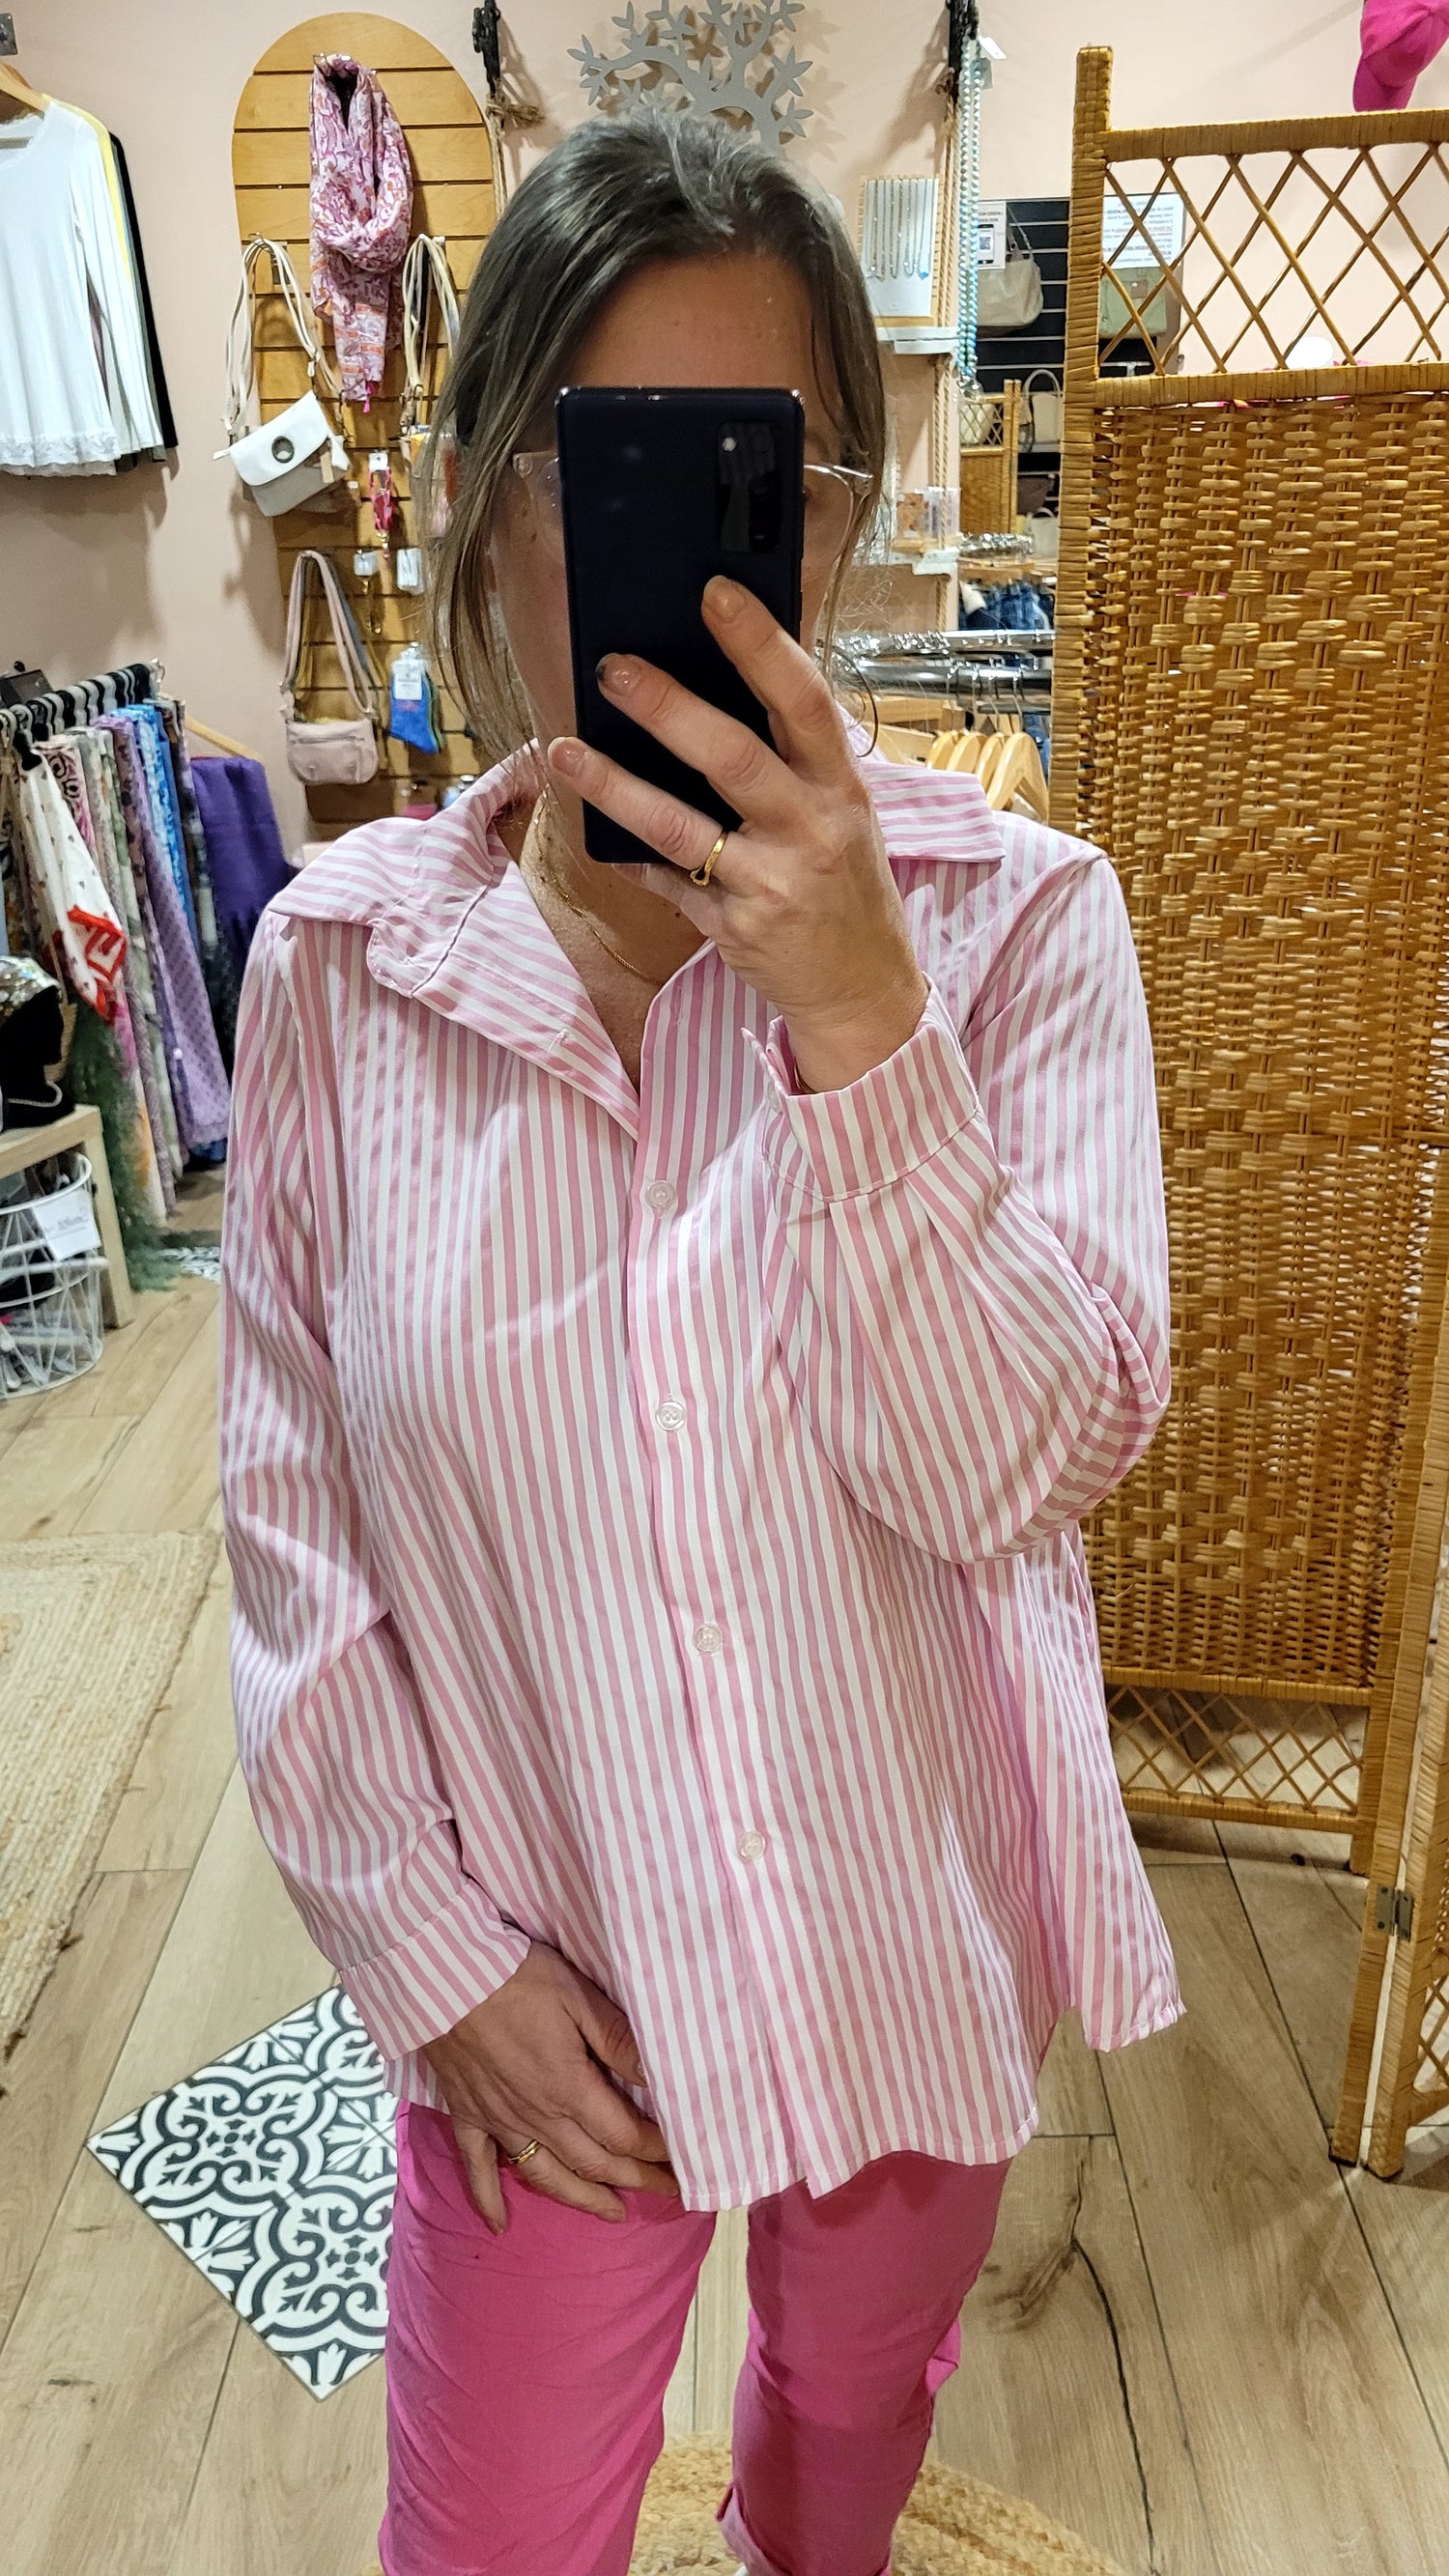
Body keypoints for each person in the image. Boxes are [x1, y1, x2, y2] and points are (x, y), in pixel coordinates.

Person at [219, 107, 1181, 2576]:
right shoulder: (341, 972)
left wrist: (863, 1023)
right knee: (490, 2534)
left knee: (841, 2447)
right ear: (479, 506)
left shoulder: (1021, 932)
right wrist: (422, 1950)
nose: (710, 555)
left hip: (901, 1927)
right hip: (545, 1967)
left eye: (765, 473)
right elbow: (289, 1522)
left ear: (836, 519)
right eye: (615, 465)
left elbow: (1028, 1463)